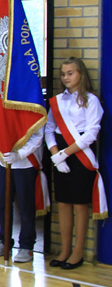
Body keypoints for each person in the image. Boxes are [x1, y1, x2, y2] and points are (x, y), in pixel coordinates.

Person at [45, 56, 105, 270]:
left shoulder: (91, 100)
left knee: (79, 205)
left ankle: (78, 252)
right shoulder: (57, 101)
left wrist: (65, 153)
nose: (66, 77)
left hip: (80, 154)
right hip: (60, 153)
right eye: (63, 74)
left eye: (70, 73)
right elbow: (49, 128)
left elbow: (91, 133)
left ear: (81, 74)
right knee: (63, 203)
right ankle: (64, 250)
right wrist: (55, 154)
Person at [0, 123, 44, 264]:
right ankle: (4, 241)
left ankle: (26, 245)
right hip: (5, 160)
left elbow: (38, 134)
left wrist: (20, 154)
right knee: (2, 202)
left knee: (25, 205)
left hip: (26, 161)